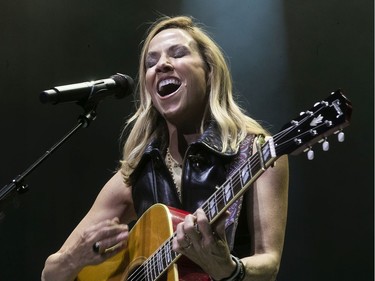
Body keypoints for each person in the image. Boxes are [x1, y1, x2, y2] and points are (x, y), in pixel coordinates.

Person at [42, 15, 289, 281]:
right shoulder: (134, 173)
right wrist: (74, 258)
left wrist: (228, 270)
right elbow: (51, 274)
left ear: (210, 71)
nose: (161, 65)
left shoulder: (257, 152)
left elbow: (269, 264)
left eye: (178, 53)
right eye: (151, 62)